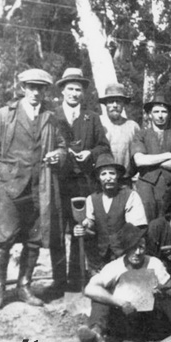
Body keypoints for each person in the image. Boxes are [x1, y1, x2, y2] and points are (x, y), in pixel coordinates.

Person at [0, 68, 67, 309]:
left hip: (41, 187)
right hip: (11, 188)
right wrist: (2, 174)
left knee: (34, 239)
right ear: (22, 88)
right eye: (31, 87)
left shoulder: (52, 116)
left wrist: (58, 155)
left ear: (45, 91)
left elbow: (63, 146)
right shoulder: (4, 115)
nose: (36, 92)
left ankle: (24, 286)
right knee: (4, 238)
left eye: (40, 88)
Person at [77, 223, 171, 342]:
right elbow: (89, 289)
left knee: (164, 298)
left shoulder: (154, 263)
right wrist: (119, 302)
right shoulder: (114, 267)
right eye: (133, 248)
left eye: (141, 247)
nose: (138, 252)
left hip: (151, 323)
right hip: (124, 323)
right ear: (126, 249)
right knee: (100, 298)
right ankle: (96, 335)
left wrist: (161, 289)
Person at [51, 68, 110, 294]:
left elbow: (103, 146)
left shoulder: (92, 117)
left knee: (80, 228)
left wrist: (90, 154)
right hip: (59, 181)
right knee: (57, 230)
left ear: (83, 93)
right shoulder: (52, 115)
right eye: (70, 89)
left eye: (78, 90)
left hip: (84, 181)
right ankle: (58, 283)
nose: (74, 93)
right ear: (63, 91)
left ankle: (77, 281)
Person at [74, 154, 148, 274]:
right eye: (103, 174)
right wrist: (84, 225)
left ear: (118, 176)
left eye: (112, 173)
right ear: (98, 177)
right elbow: (90, 223)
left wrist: (118, 244)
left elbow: (136, 228)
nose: (108, 178)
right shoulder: (92, 199)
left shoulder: (130, 195)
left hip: (124, 253)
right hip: (100, 255)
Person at [131, 94, 171, 221]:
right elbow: (139, 160)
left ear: (169, 114)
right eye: (156, 112)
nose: (160, 115)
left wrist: (151, 161)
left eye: (164, 111)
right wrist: (168, 156)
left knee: (170, 220)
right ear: (150, 115)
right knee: (147, 220)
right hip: (146, 186)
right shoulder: (141, 135)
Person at [99, 83, 140, 184]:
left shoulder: (132, 126)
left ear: (124, 104)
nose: (114, 105)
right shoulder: (98, 123)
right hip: (102, 181)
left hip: (125, 180)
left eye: (118, 102)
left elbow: (139, 154)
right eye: (110, 102)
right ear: (105, 104)